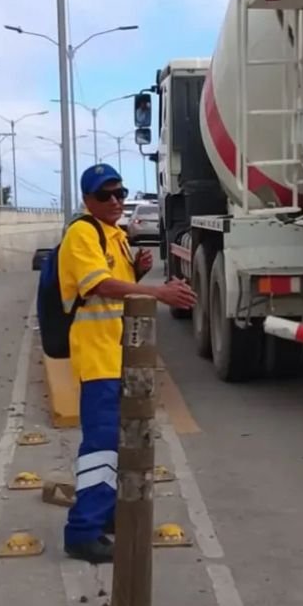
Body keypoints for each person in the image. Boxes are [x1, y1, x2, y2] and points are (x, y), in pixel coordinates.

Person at [58, 163, 196, 563]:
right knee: (100, 445)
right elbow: (98, 286)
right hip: (98, 355)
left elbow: (113, 283)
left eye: (120, 193)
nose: (116, 201)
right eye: (106, 195)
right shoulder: (82, 233)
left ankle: (105, 515)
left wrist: (135, 270)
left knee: (117, 442)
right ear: (88, 200)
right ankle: (83, 531)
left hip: (118, 353)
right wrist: (157, 293)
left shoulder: (113, 236)